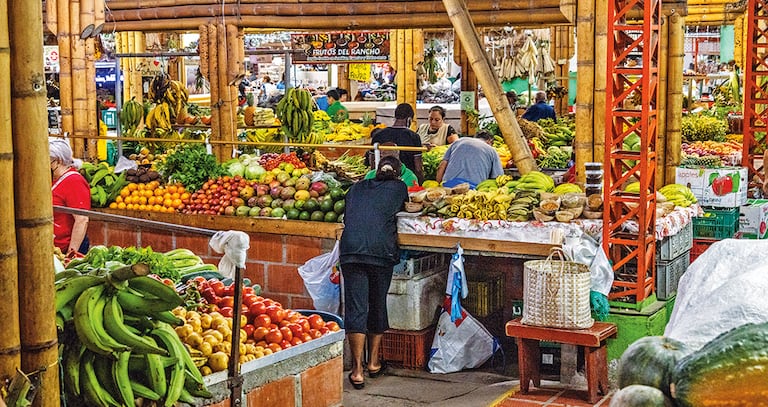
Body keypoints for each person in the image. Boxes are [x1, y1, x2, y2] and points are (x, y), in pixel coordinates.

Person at [340, 155, 409, 390]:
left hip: (350, 251)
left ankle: (356, 371)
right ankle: (373, 363)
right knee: (377, 303)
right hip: (380, 252)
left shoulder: (356, 187)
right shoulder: (399, 187)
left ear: (375, 171)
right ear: (398, 174)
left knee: (357, 306)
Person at [50, 138, 91, 256]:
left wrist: (71, 254)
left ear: (58, 161)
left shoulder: (74, 181)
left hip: (65, 249)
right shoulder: (52, 179)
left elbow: (82, 220)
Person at [436, 131, 504, 188]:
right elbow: (498, 178)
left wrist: (438, 186)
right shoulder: (491, 150)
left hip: (448, 185)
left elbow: (441, 166)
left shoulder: (458, 141)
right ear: (490, 141)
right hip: (472, 189)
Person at [371, 103, 423, 177]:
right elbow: (418, 168)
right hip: (406, 179)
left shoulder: (378, 135)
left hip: (381, 178)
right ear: (409, 119)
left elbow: (372, 163)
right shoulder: (414, 137)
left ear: (395, 117)